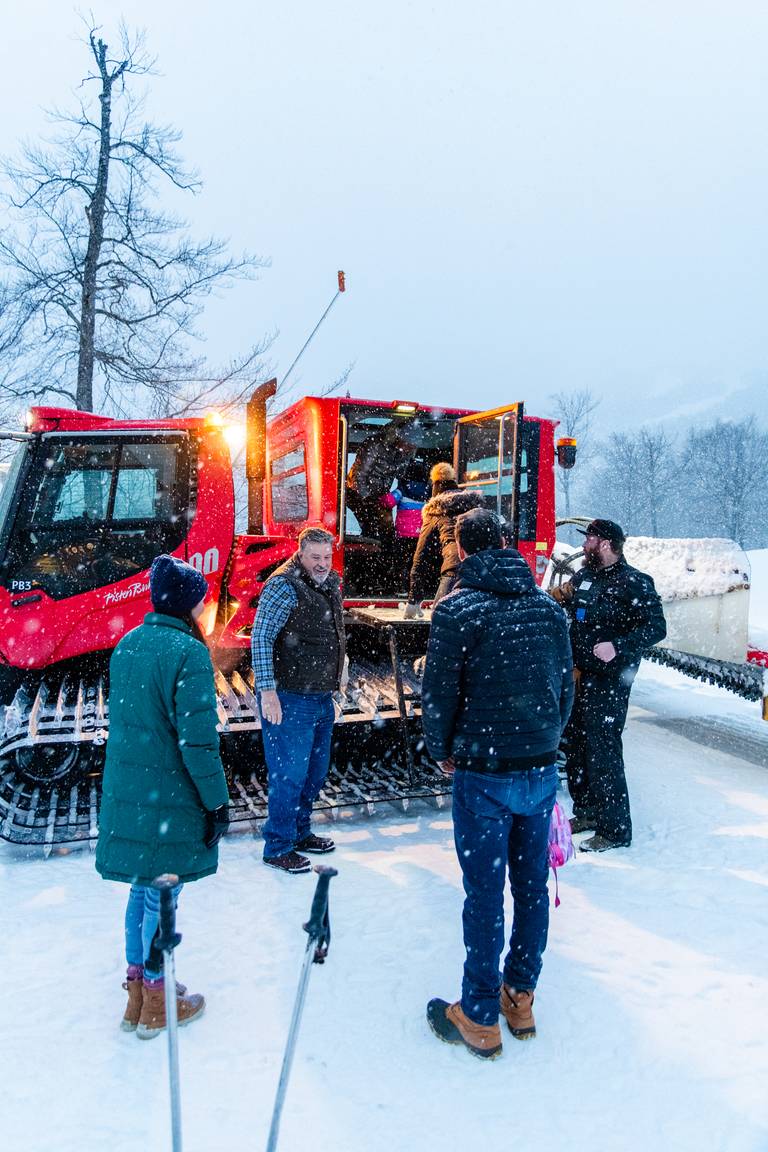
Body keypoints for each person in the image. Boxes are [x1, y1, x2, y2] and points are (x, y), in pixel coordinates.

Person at [421, 508, 574, 1059]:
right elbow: (564, 691)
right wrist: (544, 741)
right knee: (531, 888)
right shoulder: (547, 609)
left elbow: (439, 695)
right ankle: (520, 995)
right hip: (537, 768)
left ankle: (480, 1014)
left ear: (461, 552)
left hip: (482, 773)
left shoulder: (457, 611)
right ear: (506, 544)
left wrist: (441, 751)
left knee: (485, 892)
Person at [96, 554, 230, 1040]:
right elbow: (197, 742)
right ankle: (157, 998)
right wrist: (217, 802)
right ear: (186, 605)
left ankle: (137, 992)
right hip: (167, 796)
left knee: (140, 889)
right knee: (162, 893)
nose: (205, 610)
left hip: (132, 791)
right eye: (201, 602)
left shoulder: (129, 644)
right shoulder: (187, 653)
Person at [554, 518, 667, 852]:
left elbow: (656, 628)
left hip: (610, 682)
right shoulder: (584, 576)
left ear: (604, 543)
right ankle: (587, 812)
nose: (585, 544)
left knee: (603, 752)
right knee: (575, 745)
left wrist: (618, 645)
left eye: (589, 538)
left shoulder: (635, 582)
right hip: (578, 677)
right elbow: (558, 597)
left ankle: (615, 830)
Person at [251, 526, 345, 874]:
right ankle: (277, 846)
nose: (322, 564)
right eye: (315, 557)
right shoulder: (284, 585)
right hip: (291, 697)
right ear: (300, 554)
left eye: (326, 556)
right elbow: (261, 637)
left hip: (320, 696)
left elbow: (333, 634)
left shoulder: (329, 582)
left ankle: (300, 832)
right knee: (289, 774)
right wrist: (268, 691)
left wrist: (337, 683)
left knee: (314, 773)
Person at [404, 462, 484, 618]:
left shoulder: (435, 511)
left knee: (440, 620)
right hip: (484, 570)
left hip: (456, 569)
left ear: (435, 485)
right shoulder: (475, 508)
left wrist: (413, 600)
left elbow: (420, 558)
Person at [346, 422, 415, 563]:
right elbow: (359, 476)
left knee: (388, 535)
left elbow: (402, 475)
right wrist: (367, 500)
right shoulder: (376, 444)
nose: (409, 448)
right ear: (398, 438)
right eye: (408, 443)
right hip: (357, 492)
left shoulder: (405, 453)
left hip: (380, 495)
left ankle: (384, 568)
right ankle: (363, 566)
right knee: (370, 528)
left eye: (412, 445)